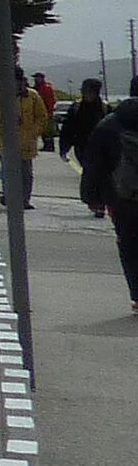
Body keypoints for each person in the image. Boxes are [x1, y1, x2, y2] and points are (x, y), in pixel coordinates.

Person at [94, 92, 138, 313]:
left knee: (129, 245)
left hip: (122, 198)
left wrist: (93, 197)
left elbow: (95, 164)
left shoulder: (109, 124)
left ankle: (137, 295)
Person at [0, 77, 52, 210]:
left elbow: (42, 117)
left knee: (26, 172)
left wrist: (34, 132)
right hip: (4, 141)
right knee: (8, 171)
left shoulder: (33, 96)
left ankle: (25, 200)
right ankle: (10, 198)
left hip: (26, 142)